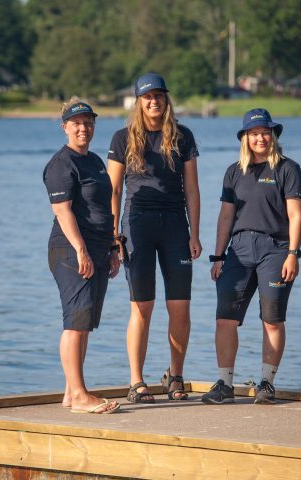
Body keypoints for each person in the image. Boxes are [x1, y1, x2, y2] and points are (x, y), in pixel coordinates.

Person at [107, 73, 201, 403]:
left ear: (166, 99)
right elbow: (114, 190)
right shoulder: (122, 138)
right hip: (137, 225)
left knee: (180, 308)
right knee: (141, 307)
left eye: (159, 95)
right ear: (139, 101)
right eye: (148, 96)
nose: (154, 101)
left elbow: (192, 189)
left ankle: (175, 377)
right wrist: (113, 235)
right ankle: (137, 381)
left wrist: (196, 233)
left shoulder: (183, 136)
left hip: (176, 225)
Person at [202, 108, 301, 405]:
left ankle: (267, 382)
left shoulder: (288, 169)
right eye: (254, 133)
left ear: (273, 136)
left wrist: (293, 254)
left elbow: (295, 216)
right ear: (245, 138)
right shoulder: (234, 171)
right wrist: (218, 256)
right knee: (225, 318)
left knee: (272, 320)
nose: (260, 138)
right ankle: (224, 384)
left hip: (275, 249)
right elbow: (225, 218)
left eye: (265, 133)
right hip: (239, 250)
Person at [43, 100, 122, 414]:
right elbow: (63, 212)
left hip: (98, 248)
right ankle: (79, 395)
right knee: (75, 321)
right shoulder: (62, 164)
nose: (83, 127)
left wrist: (113, 248)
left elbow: (104, 208)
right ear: (65, 126)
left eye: (88, 122)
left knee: (84, 321)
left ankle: (70, 393)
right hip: (69, 249)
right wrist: (81, 251)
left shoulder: (95, 161)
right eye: (76, 123)